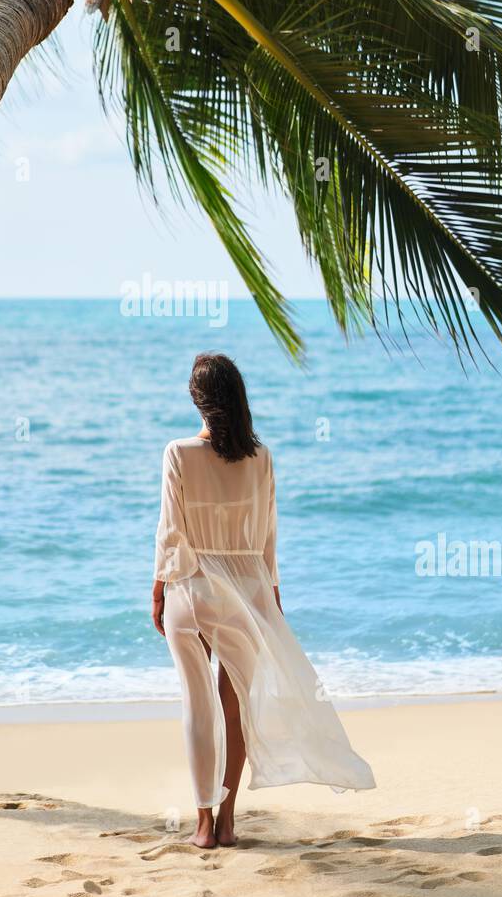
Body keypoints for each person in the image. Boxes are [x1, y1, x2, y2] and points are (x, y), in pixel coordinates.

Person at [152, 352, 375, 848]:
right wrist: (270, 593)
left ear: (196, 399)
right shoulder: (262, 457)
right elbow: (269, 537)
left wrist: (159, 589)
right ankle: (228, 821)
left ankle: (203, 825)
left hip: (191, 585)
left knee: (198, 706)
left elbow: (171, 533)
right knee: (235, 710)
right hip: (247, 590)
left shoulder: (178, 453)